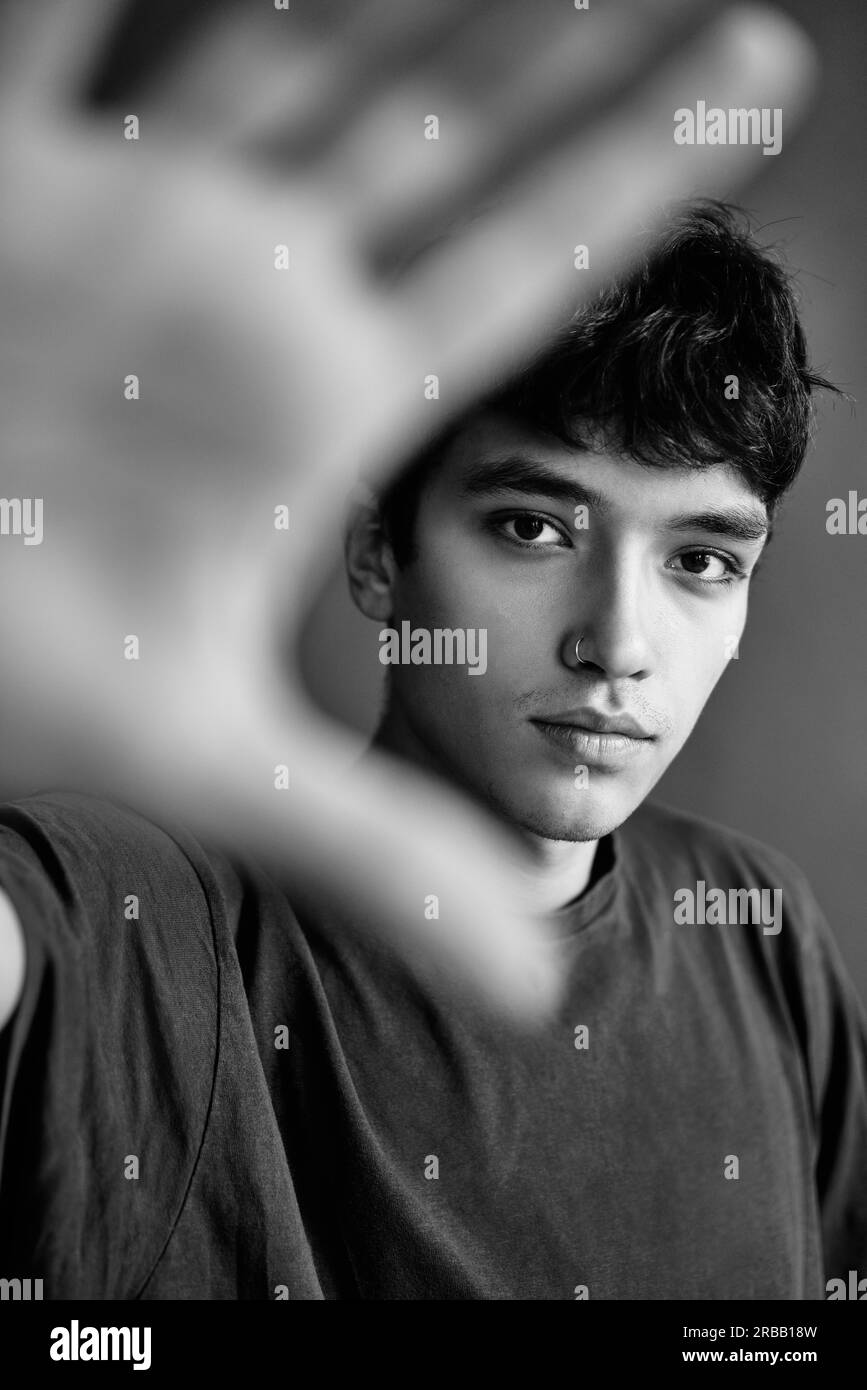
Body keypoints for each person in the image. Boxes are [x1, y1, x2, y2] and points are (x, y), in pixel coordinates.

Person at [1, 199, 865, 1300]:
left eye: (702, 559)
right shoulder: (160, 923)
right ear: (375, 552)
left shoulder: (759, 927)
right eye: (531, 526)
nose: (618, 644)